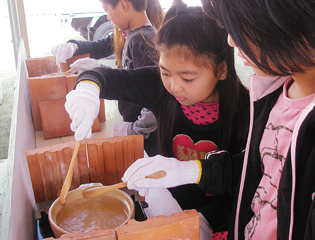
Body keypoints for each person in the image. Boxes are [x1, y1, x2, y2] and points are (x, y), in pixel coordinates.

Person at [64, 2, 250, 239]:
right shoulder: (158, 87)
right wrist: (87, 90)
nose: (174, 86)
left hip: (220, 222)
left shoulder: (245, 111)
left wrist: (206, 221)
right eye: (165, 72)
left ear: (222, 70)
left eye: (188, 78)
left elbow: (245, 182)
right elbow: (103, 76)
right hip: (167, 207)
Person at [199, 0, 315, 239]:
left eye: (238, 24)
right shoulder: (275, 92)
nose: (231, 40)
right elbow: (268, 174)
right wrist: (195, 171)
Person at [52, 0, 164, 157]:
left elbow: (158, 94)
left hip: (148, 139)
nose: (108, 17)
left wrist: (135, 130)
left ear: (124, 5)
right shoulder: (134, 36)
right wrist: (100, 69)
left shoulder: (141, 41)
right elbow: (130, 79)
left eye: (107, 10)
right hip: (140, 133)